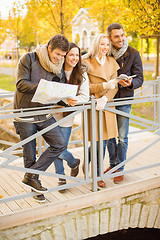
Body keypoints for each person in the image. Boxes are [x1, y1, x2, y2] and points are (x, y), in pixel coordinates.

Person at [13, 34, 70, 202]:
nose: (59, 58)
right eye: (57, 54)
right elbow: (20, 84)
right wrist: (43, 89)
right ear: (49, 48)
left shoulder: (58, 67)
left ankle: (30, 176)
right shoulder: (28, 59)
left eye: (62, 56)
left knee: (59, 143)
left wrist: (66, 100)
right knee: (30, 155)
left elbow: (57, 91)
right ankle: (36, 190)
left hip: (45, 114)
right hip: (25, 114)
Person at [104, 23, 143, 183]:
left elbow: (139, 77)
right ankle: (113, 165)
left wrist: (131, 83)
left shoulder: (133, 53)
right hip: (108, 99)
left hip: (125, 98)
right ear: (109, 38)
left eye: (122, 35)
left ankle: (119, 168)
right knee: (110, 136)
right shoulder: (105, 52)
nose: (120, 39)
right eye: (116, 37)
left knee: (122, 137)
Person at [82, 33, 120, 188]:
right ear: (96, 44)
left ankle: (92, 166)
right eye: (102, 44)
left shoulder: (112, 61)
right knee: (98, 142)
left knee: (105, 141)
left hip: (107, 106)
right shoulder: (85, 62)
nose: (105, 47)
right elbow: (85, 87)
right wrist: (103, 87)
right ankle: (97, 176)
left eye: (107, 45)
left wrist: (105, 99)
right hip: (93, 106)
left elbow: (115, 85)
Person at [53, 42, 89, 192]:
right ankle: (61, 178)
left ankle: (73, 163)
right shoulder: (55, 70)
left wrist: (71, 102)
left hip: (67, 116)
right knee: (53, 148)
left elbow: (85, 97)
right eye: (71, 54)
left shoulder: (82, 74)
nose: (74, 58)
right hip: (52, 114)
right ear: (65, 55)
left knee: (60, 149)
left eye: (77, 55)